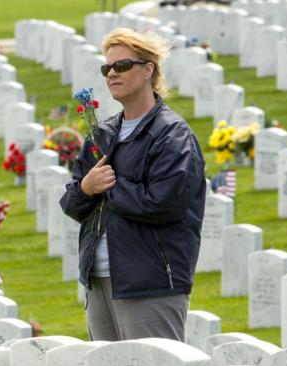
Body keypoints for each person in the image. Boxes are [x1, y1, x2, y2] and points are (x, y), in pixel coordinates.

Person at [59, 29, 206, 342]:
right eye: (107, 68)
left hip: (150, 282)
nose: (112, 73)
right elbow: (72, 203)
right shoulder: (103, 134)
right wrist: (87, 187)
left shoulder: (172, 135)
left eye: (122, 66)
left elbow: (163, 203)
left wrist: (108, 186)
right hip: (98, 279)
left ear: (148, 70)